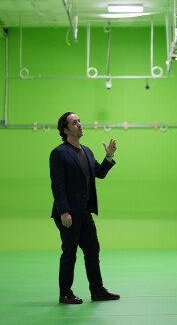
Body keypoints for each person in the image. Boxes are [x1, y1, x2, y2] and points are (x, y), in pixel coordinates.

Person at [49, 111, 120, 304]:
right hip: (68, 214)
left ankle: (97, 290)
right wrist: (64, 211)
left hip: (85, 212)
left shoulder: (87, 151)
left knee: (92, 250)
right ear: (65, 130)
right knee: (70, 253)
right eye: (74, 123)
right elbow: (57, 184)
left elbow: (99, 173)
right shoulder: (59, 153)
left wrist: (109, 156)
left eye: (79, 121)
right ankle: (65, 293)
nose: (80, 124)